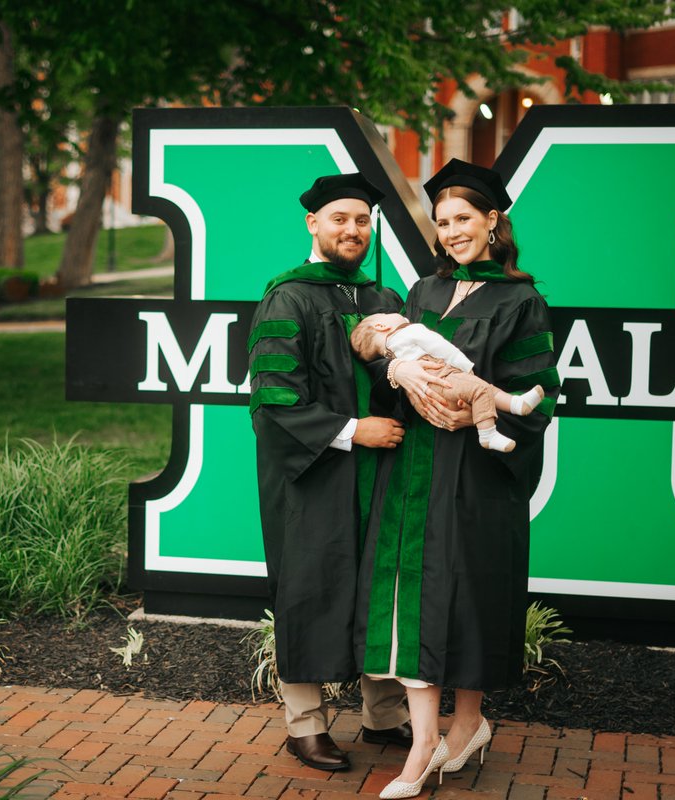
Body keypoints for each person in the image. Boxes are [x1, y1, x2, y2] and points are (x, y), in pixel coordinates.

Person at [352, 159, 560, 799]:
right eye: (442, 223)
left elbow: (539, 396)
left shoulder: (521, 300)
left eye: (463, 219)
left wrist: (480, 416)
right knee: (410, 598)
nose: (451, 233)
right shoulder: (422, 293)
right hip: (412, 468)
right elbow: (384, 350)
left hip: (474, 474)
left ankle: (467, 726)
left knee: (466, 594)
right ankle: (421, 744)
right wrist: (397, 373)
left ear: (493, 220)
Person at [248, 172, 413, 772]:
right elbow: (272, 397)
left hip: (380, 473)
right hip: (313, 477)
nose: (352, 230)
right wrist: (352, 430)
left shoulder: (385, 301)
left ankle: (385, 716)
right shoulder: (287, 297)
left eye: (362, 220)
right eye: (339, 218)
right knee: (309, 587)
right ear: (313, 223)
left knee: (379, 583)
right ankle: (304, 726)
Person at [350, 312, 545, 453]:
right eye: (385, 313)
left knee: (484, 389)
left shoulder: (392, 350)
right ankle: (488, 433)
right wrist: (465, 367)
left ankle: (515, 404)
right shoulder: (409, 328)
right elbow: (440, 346)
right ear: (381, 326)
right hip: (442, 375)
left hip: (431, 394)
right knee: (480, 389)